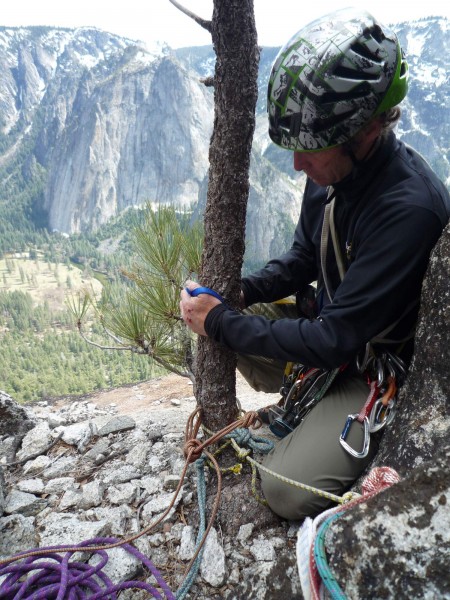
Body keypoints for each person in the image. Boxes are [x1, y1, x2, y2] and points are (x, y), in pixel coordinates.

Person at [180, 7, 450, 520]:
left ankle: (339, 428)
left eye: (311, 151)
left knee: (283, 490)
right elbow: (305, 256)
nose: (299, 165)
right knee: (222, 327)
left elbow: (333, 340)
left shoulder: (408, 211)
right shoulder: (334, 166)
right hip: (330, 330)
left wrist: (221, 320)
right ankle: (302, 409)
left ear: (365, 130)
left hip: (373, 372)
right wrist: (240, 295)